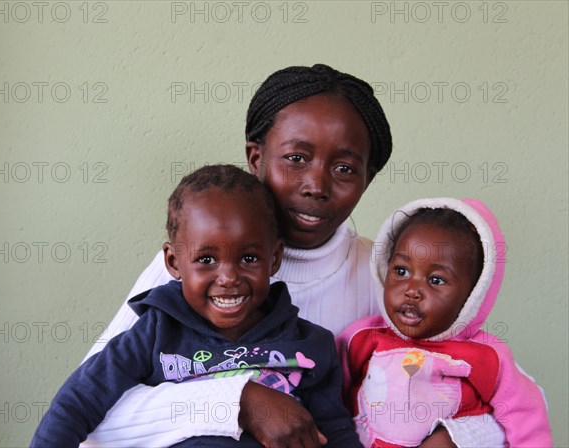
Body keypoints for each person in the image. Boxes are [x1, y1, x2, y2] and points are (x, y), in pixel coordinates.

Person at [80, 64, 505, 447]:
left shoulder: (392, 282)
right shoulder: (194, 270)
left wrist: (457, 437)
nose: (315, 185)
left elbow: (493, 395)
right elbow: (89, 409)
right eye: (296, 159)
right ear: (256, 158)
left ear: (367, 180)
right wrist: (239, 401)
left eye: (344, 169)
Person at [32, 164, 362, 447]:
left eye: (249, 257)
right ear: (174, 262)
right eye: (206, 259)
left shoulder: (309, 345)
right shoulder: (155, 331)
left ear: (274, 258)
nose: (229, 277)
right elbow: (78, 402)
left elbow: (334, 429)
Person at [338, 198, 552, 447]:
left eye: (436, 280)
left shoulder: (487, 356)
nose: (412, 290)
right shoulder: (361, 337)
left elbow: (525, 414)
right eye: (401, 271)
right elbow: (328, 395)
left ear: (473, 294)